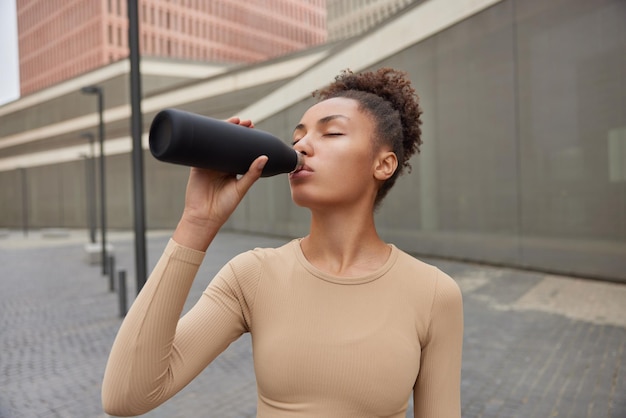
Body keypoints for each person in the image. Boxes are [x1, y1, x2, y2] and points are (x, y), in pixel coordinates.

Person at [101, 68, 464, 418]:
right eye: (297, 138)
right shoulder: (253, 276)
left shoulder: (432, 294)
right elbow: (126, 395)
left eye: (332, 133)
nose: (303, 145)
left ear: (383, 165)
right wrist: (197, 222)